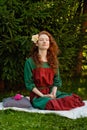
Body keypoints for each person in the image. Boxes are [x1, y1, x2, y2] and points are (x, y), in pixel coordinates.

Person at [24, 30, 84, 110]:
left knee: (73, 99)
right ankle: (48, 101)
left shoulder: (53, 61)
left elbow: (57, 80)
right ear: (37, 43)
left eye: (47, 40)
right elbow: (29, 84)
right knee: (52, 103)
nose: (44, 42)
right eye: (41, 40)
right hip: (38, 95)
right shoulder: (30, 62)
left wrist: (53, 93)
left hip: (51, 92)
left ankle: (55, 99)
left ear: (49, 43)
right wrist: (43, 95)